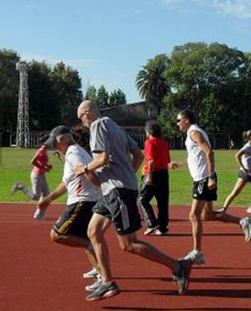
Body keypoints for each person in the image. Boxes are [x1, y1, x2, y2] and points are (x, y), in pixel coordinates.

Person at [73, 100, 191, 301]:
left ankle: (177, 265)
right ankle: (106, 281)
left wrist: (83, 169)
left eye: (80, 118)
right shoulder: (114, 126)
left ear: (86, 114)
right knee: (92, 231)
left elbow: (103, 159)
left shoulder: (97, 126)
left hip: (118, 191)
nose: (82, 123)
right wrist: (129, 174)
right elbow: (138, 155)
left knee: (129, 243)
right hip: (113, 189)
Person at [169, 109, 251, 267]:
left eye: (179, 120)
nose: (177, 123)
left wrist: (210, 177)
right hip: (202, 178)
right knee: (206, 215)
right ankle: (244, 221)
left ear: (187, 120)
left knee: (193, 215)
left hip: (203, 179)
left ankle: (197, 252)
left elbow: (209, 153)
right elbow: (196, 156)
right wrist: (180, 163)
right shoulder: (194, 133)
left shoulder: (194, 132)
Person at [36, 126, 103, 292]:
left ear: (63, 140)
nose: (54, 147)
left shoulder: (73, 153)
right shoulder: (74, 152)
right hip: (86, 201)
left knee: (58, 234)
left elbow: (86, 172)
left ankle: (104, 277)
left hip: (82, 201)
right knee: (84, 236)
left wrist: (101, 190)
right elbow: (67, 183)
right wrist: (48, 199)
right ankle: (99, 270)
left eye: (55, 143)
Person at [220, 130, 251, 216]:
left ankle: (223, 209)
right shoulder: (248, 147)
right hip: (247, 173)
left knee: (235, 193)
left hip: (244, 173)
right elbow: (237, 156)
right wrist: (244, 168)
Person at [138, 120, 171, 236]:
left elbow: (151, 161)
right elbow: (167, 161)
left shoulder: (149, 143)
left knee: (142, 200)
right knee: (162, 202)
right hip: (163, 174)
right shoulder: (163, 143)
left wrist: (149, 177)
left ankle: (151, 223)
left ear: (149, 131)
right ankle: (162, 227)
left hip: (152, 174)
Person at [11, 135, 52, 219]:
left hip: (42, 174)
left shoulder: (44, 150)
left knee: (47, 195)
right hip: (37, 175)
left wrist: (47, 166)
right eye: (50, 141)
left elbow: (41, 162)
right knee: (36, 196)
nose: (51, 143)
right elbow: (32, 161)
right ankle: (20, 186)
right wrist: (43, 167)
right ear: (45, 142)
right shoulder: (41, 150)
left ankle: (40, 213)